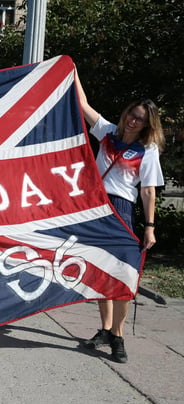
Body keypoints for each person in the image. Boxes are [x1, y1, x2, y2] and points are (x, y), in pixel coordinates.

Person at [75, 72, 165, 363]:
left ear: (147, 125)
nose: (133, 121)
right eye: (132, 114)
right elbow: (84, 105)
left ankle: (118, 334)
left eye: (139, 119)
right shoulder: (108, 133)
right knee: (102, 272)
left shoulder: (147, 151)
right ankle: (104, 330)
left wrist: (150, 227)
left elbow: (148, 191)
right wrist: (72, 70)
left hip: (122, 209)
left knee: (125, 276)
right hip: (97, 207)